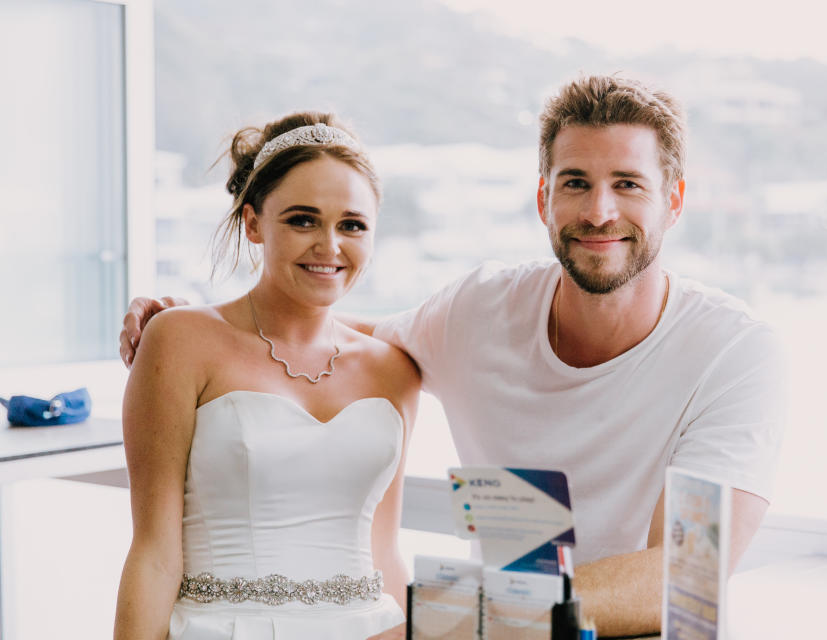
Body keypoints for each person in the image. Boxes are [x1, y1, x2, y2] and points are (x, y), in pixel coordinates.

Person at [120, 75, 786, 637]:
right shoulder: (478, 312)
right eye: (576, 182)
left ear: (673, 201)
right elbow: (318, 337)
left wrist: (438, 622)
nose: (600, 210)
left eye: (629, 184)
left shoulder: (733, 351)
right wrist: (186, 328)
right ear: (543, 199)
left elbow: (684, 574)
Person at [113, 112, 419, 640]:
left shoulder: (395, 367)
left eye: (352, 224)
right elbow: (155, 554)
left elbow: (385, 552)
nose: (329, 246)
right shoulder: (178, 339)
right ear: (253, 222)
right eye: (303, 219)